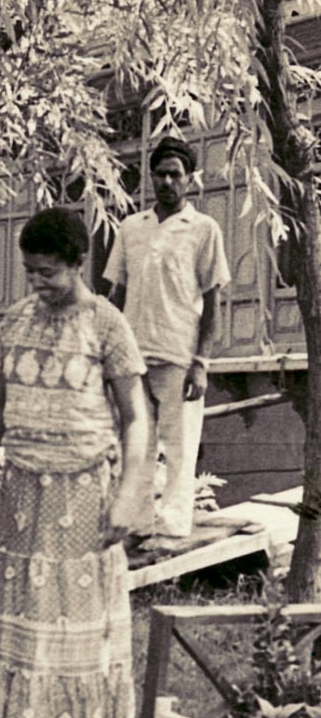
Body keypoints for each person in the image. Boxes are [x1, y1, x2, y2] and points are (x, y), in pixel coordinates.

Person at [0, 207, 148, 718]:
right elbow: (0, 408)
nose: (38, 283)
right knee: (25, 625)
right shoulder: (16, 320)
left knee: (76, 627)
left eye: (49, 274)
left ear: (79, 264)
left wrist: (131, 495)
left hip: (84, 490)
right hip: (22, 494)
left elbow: (137, 418)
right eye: (30, 273)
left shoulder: (108, 325)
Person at [103, 135, 230, 542]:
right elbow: (115, 296)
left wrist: (201, 362)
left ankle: (174, 528)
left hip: (179, 358)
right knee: (136, 445)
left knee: (180, 448)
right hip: (132, 359)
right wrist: (106, 354)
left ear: (190, 180)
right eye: (159, 174)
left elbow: (212, 303)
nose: (167, 182)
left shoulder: (204, 229)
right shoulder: (130, 228)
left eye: (175, 175)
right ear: (150, 178)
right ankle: (138, 525)